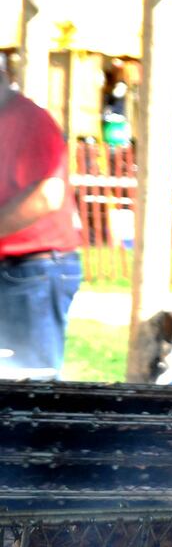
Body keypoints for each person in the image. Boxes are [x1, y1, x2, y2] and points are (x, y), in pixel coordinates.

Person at [0, 63, 83, 378]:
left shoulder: (29, 120)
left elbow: (47, 195)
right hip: (18, 269)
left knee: (29, 384)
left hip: (33, 270)